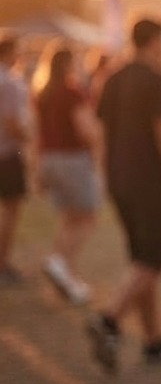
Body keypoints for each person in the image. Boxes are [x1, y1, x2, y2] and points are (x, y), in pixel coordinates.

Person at [87, 18, 161, 373]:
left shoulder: (112, 77)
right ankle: (109, 319)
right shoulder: (158, 79)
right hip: (153, 182)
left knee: (142, 259)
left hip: (121, 180)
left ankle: (153, 341)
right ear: (155, 41)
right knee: (153, 260)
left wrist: (105, 177)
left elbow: (102, 135)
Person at [32, 41, 102, 304]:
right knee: (87, 217)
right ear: (67, 65)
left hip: (49, 158)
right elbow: (85, 129)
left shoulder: (43, 92)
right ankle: (60, 263)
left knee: (69, 217)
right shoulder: (72, 92)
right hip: (72, 159)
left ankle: (66, 276)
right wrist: (98, 140)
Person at [0, 35, 29, 285]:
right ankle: (2, 264)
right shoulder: (9, 82)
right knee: (11, 212)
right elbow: (11, 124)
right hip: (7, 155)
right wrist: (29, 139)